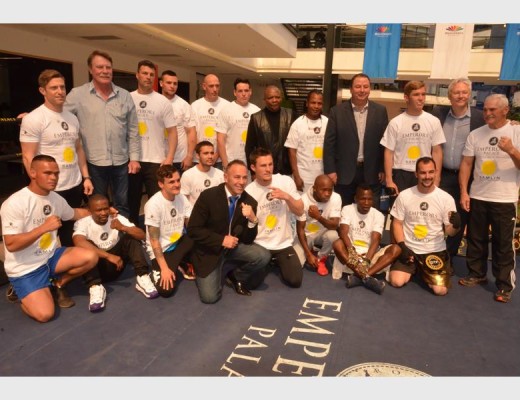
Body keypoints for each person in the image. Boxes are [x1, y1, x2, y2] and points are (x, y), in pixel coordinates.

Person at [0, 155, 98, 322]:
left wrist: (102, 212)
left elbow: (75, 213)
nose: (53, 178)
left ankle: (57, 283)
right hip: (25, 268)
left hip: (50, 257)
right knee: (45, 314)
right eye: (47, 173)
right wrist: (43, 228)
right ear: (33, 173)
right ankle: (20, 292)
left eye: (56, 173)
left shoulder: (55, 199)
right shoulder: (15, 203)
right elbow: (11, 244)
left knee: (91, 257)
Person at [19, 69, 94, 248]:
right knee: (47, 236)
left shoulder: (72, 118)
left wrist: (86, 177)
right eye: (54, 88)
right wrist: (39, 186)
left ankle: (72, 261)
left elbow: (78, 149)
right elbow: (28, 156)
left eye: (62, 87)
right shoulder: (34, 118)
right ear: (42, 91)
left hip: (73, 184)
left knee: (72, 233)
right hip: (50, 188)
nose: (60, 91)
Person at [458, 94, 520, 303]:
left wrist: (511, 150)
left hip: (504, 198)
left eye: (492, 109)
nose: (487, 113)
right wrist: (464, 192)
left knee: (503, 244)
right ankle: (477, 273)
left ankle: (504, 285)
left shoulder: (517, 131)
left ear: (505, 110)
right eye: (485, 109)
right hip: (478, 195)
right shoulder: (476, 134)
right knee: (476, 239)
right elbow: (466, 164)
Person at [65, 50, 140, 218]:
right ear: (90, 70)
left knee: (122, 204)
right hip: (94, 162)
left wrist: (134, 158)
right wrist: (33, 115)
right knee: (98, 205)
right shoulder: (78, 95)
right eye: (100, 67)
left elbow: (133, 129)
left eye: (108, 67)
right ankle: (101, 233)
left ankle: (122, 233)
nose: (105, 71)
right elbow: (58, 112)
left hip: (121, 162)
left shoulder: (124, 95)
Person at [187, 160, 271, 303]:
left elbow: (248, 240)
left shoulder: (250, 202)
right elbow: (193, 230)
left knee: (263, 256)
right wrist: (221, 240)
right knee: (210, 298)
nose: (241, 182)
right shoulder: (208, 196)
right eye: (237, 177)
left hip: (233, 247)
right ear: (226, 177)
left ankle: (235, 276)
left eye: (244, 178)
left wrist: (253, 220)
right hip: (209, 249)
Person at [72, 194, 158, 313]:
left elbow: (143, 235)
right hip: (98, 267)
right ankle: (95, 287)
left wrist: (123, 228)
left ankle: (142, 276)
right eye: (99, 210)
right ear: (90, 211)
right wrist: (108, 256)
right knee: (85, 247)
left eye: (106, 208)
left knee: (130, 237)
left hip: (118, 265)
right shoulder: (82, 223)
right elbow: (78, 242)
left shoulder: (117, 218)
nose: (103, 213)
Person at [388, 157, 460, 296]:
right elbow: (397, 223)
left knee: (440, 291)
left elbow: (450, 232)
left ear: (436, 172)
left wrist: (456, 225)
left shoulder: (446, 199)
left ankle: (423, 271)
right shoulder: (404, 195)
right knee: (396, 281)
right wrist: (402, 246)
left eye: (431, 172)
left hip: (434, 251)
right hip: (409, 249)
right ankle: (416, 269)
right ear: (416, 174)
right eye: (423, 173)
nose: (427, 176)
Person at [431, 78, 486, 260]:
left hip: (468, 178)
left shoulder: (479, 118)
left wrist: (512, 123)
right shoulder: (439, 114)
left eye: (464, 92)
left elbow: (497, 124)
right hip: (443, 175)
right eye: (456, 92)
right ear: (449, 96)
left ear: (469, 95)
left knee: (460, 218)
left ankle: (449, 257)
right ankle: (432, 255)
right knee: (437, 214)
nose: (460, 96)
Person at [323, 73, 389, 209]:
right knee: (343, 211)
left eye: (366, 86)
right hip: (344, 173)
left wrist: (382, 168)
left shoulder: (380, 111)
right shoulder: (336, 112)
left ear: (370, 89)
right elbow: (329, 144)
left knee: (371, 212)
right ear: (351, 89)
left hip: (372, 173)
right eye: (358, 86)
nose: (362, 90)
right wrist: (330, 170)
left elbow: (385, 143)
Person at [245, 147, 304, 288]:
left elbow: (300, 210)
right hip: (260, 244)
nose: (268, 169)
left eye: (270, 164)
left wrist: (287, 197)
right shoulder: (248, 192)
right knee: (251, 284)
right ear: (253, 167)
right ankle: (267, 260)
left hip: (283, 243)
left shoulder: (285, 181)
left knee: (295, 281)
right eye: (263, 166)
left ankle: (275, 260)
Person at [128, 60, 178, 226]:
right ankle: (134, 235)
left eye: (151, 74)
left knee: (156, 202)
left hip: (156, 161)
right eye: (145, 73)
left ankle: (157, 233)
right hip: (132, 160)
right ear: (137, 75)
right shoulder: (128, 98)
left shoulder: (162, 101)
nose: (148, 77)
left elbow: (172, 132)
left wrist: (169, 158)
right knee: (132, 202)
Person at [332, 184, 401, 295]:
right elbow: (343, 233)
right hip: (351, 256)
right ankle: (367, 277)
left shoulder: (378, 215)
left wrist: (367, 261)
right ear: (356, 199)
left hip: (370, 256)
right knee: (337, 244)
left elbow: (376, 240)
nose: (366, 203)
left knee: (396, 249)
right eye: (363, 199)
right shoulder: (347, 209)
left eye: (369, 199)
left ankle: (361, 276)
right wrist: (352, 252)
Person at [380, 80, 445, 195]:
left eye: (423, 94)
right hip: (401, 174)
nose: (421, 98)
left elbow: (437, 151)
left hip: (424, 174)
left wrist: (437, 177)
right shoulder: (395, 122)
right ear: (406, 97)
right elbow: (389, 152)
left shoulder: (434, 121)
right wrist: (389, 180)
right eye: (416, 94)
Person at [144, 164, 194, 297]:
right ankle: (156, 272)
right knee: (166, 291)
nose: (177, 185)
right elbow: (154, 241)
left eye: (178, 180)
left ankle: (181, 261)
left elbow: (191, 225)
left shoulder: (181, 197)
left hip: (178, 241)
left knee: (198, 234)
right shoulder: (153, 205)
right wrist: (165, 269)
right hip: (162, 250)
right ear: (161, 184)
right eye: (171, 182)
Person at [294, 174, 341, 276]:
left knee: (333, 235)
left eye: (330, 190)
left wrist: (318, 217)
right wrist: (308, 254)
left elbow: (334, 226)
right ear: (315, 188)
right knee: (296, 264)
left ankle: (321, 258)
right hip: (306, 235)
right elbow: (300, 230)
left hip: (323, 233)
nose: (327, 194)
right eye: (323, 190)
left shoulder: (336, 198)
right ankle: (309, 250)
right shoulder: (303, 200)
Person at [245, 85, 297, 176]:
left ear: (281, 98)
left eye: (277, 97)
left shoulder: (291, 115)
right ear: (264, 99)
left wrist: (296, 171)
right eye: (270, 98)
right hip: (264, 170)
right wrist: (253, 172)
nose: (274, 100)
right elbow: (249, 147)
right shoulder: (256, 118)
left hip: (286, 170)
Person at [285, 90, 328, 193]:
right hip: (304, 176)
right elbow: (291, 152)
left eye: (319, 103)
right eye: (313, 103)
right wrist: (296, 176)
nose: (316, 106)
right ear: (307, 103)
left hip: (323, 175)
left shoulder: (327, 122)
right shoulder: (297, 124)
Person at [216, 78, 260, 169]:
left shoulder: (257, 111)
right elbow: (220, 140)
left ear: (250, 92)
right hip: (232, 161)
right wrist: (225, 163)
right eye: (240, 91)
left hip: (252, 162)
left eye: (246, 91)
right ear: (235, 92)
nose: (243, 94)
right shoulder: (226, 110)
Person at [160, 70, 197, 174]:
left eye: (175, 83)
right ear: (161, 83)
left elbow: (191, 132)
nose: (172, 86)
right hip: (158, 157)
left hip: (179, 159)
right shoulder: (156, 102)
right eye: (169, 83)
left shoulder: (183, 105)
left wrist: (189, 156)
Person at [191, 73, 230, 168]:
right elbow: (193, 133)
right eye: (211, 86)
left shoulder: (227, 106)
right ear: (204, 86)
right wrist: (202, 154)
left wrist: (217, 155)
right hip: (199, 159)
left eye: (217, 86)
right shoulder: (195, 106)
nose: (215, 89)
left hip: (220, 159)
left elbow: (227, 135)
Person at [180, 141, 224, 205]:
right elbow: (183, 200)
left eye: (212, 153)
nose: (210, 156)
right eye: (206, 153)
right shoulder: (187, 175)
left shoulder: (220, 174)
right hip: (194, 211)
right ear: (198, 156)